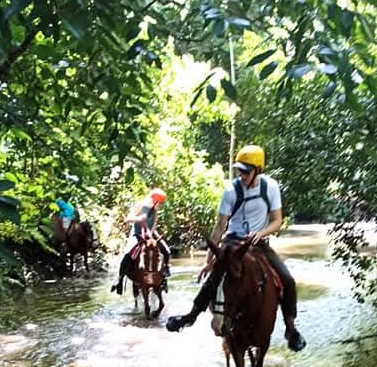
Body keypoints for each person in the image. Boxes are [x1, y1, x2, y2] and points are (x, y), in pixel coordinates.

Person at [166, 145, 306, 351]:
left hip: (258, 243)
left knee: (287, 280)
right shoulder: (231, 190)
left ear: (257, 170)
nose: (241, 175)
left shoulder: (271, 187)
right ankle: (191, 315)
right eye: (239, 170)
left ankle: (291, 329)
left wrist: (262, 233)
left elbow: (277, 221)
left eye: (245, 171)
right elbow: (220, 225)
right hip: (232, 242)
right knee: (214, 278)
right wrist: (208, 262)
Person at [111, 187, 170, 295]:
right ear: (154, 200)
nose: (160, 205)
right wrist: (138, 219)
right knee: (128, 254)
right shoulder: (140, 205)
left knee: (166, 250)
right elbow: (127, 219)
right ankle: (119, 279)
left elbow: (154, 224)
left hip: (150, 233)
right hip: (137, 233)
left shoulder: (155, 210)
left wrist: (150, 234)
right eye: (160, 203)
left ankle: (165, 274)